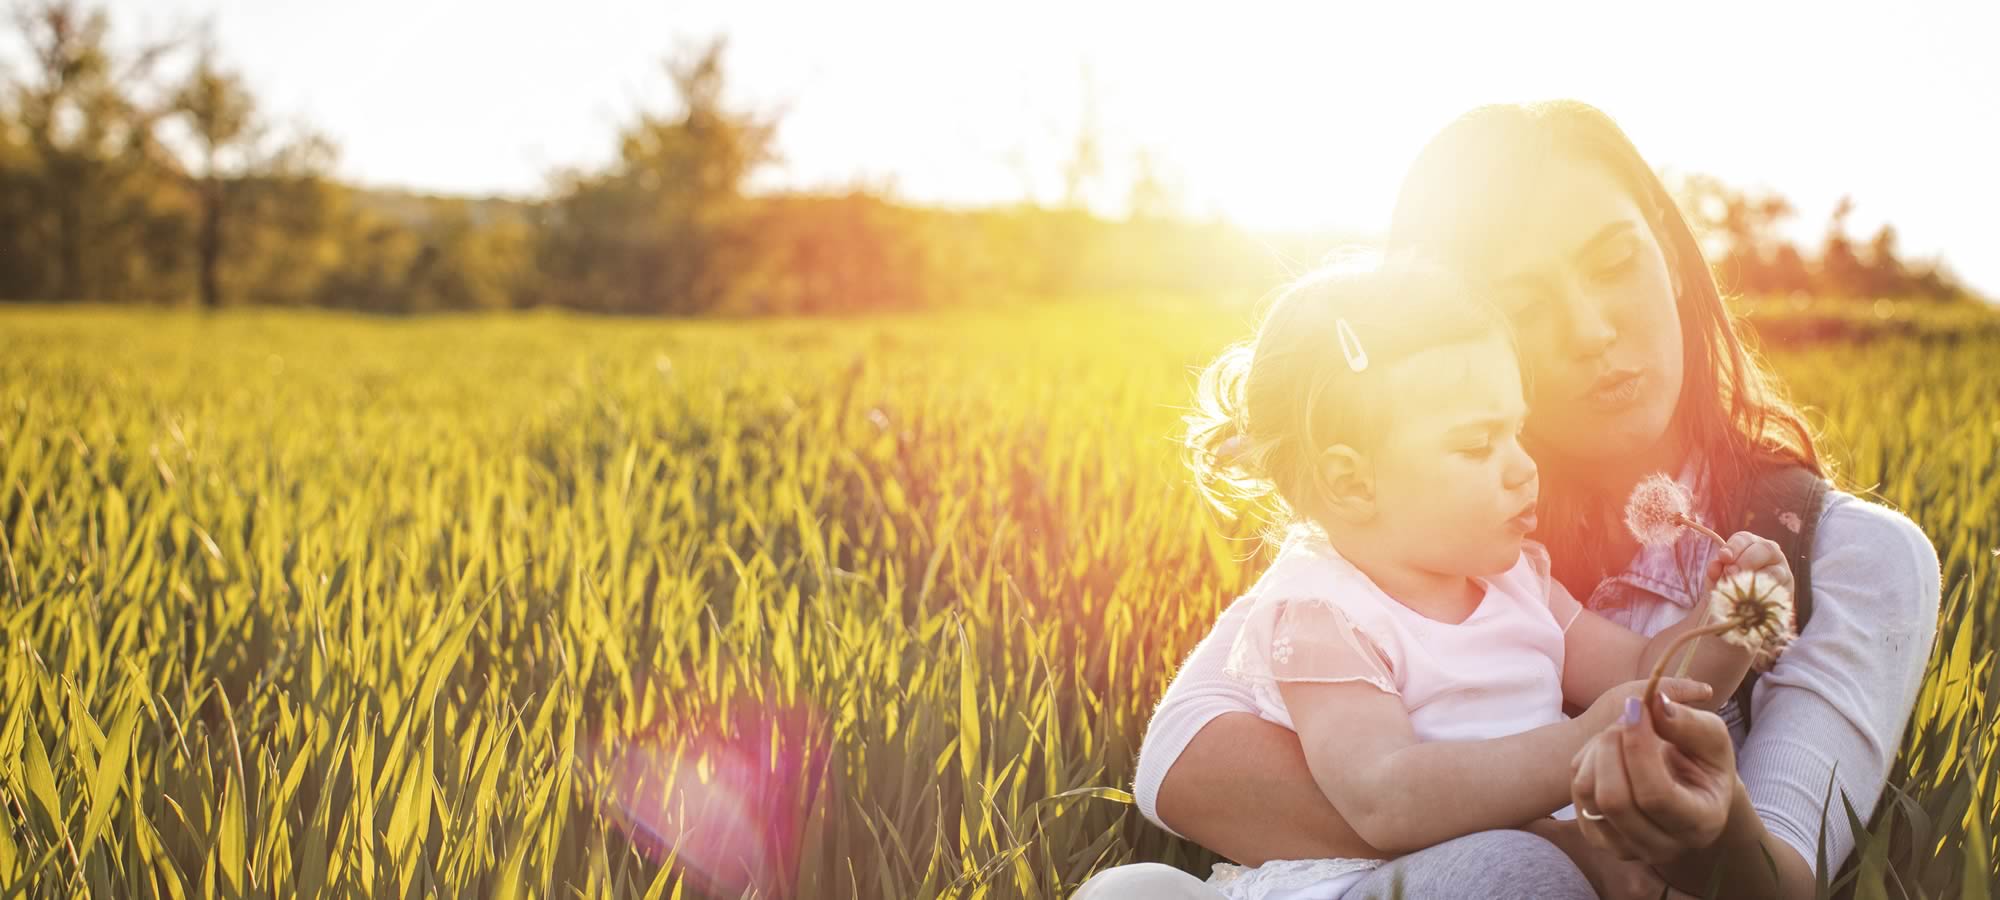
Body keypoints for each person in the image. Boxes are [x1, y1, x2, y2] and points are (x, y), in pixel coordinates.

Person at [1075, 101, 1940, 900]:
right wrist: (1561, 836)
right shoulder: (1401, 548)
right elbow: (1181, 764)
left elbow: (1677, 716)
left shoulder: (1825, 555)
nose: (1590, 330)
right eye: (1523, 305)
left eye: (1613, 264)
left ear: (1676, 260)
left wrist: (1735, 625)